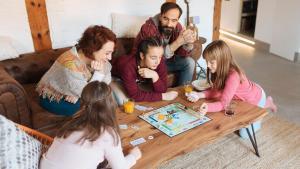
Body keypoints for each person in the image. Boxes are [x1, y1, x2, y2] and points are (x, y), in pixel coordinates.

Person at [39, 81, 142, 169]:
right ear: (110, 104)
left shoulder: (70, 123)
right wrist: (133, 156)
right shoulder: (108, 134)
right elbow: (120, 167)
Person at [186, 40, 277, 138]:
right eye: (207, 61)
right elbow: (217, 91)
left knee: (244, 135)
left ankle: (267, 103)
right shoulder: (219, 69)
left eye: (211, 62)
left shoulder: (233, 76)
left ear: (222, 60)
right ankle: (266, 102)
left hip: (255, 98)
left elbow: (224, 104)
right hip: (245, 93)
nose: (207, 65)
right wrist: (199, 95)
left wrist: (208, 107)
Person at [36, 25, 116, 116]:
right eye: (107, 53)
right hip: (54, 97)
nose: (110, 57)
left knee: (104, 99)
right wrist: (99, 73)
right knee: (91, 108)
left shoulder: (99, 58)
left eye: (111, 52)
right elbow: (90, 95)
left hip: (78, 91)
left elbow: (107, 80)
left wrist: (78, 94)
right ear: (93, 49)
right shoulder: (70, 64)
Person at [132, 2, 197, 86]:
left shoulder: (177, 27)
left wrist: (188, 43)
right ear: (160, 16)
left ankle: (182, 92)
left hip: (163, 61)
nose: (169, 24)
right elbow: (154, 56)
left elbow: (181, 54)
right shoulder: (148, 28)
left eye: (174, 20)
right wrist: (177, 42)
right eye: (166, 19)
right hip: (146, 62)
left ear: (177, 20)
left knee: (189, 62)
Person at [111, 36, 178, 103]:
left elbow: (162, 90)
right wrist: (164, 96)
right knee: (124, 101)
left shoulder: (159, 61)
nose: (158, 62)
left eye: (160, 57)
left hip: (138, 80)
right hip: (115, 77)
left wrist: (155, 76)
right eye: (153, 58)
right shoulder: (127, 67)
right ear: (142, 56)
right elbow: (135, 96)